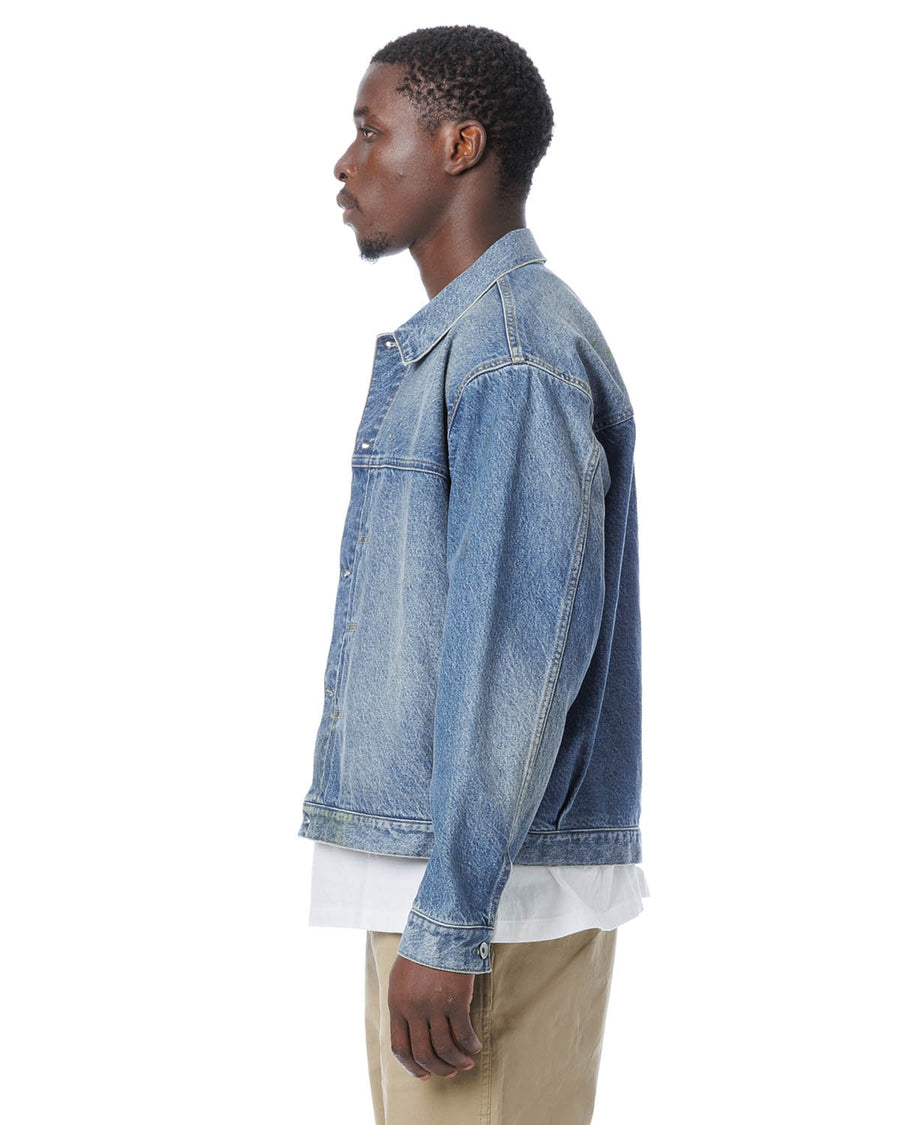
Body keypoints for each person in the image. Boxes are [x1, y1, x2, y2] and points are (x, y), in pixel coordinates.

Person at [296, 24, 648, 1124]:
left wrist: (450, 923)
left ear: (460, 145)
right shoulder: (473, 346)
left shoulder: (510, 354)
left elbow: (513, 656)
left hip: (480, 906)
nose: (345, 162)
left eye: (371, 131)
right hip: (452, 887)